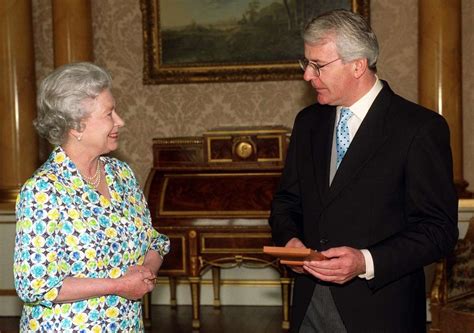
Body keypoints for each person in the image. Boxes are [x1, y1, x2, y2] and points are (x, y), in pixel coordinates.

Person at [269, 9, 458, 333]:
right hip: (308, 307)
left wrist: (366, 262)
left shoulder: (419, 128)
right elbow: (287, 201)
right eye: (306, 63)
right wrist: (291, 241)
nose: (307, 76)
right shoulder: (308, 123)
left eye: (318, 65)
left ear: (357, 65)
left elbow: (439, 230)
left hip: (380, 311)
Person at [13, 62, 170, 332]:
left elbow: (154, 241)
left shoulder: (122, 174)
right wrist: (119, 285)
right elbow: (34, 285)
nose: (120, 121)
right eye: (109, 113)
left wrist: (146, 270)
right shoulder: (43, 190)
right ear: (76, 126)